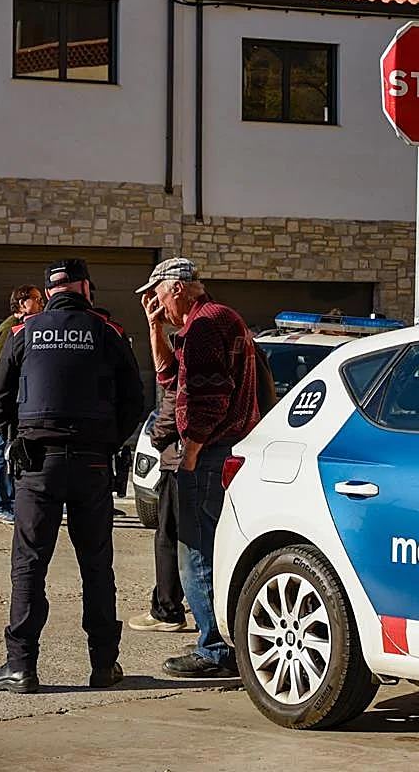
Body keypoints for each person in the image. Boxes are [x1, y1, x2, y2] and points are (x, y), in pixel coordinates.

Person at [0, 258, 144, 694]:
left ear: (50, 291)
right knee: (96, 566)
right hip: (92, 463)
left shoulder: (25, 333)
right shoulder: (107, 333)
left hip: (37, 465)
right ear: (86, 288)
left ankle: (20, 667)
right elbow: (135, 398)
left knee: (30, 564)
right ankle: (104, 666)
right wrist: (108, 442)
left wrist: (15, 434)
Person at [137, 257, 258, 679]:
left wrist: (189, 452)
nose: (154, 303)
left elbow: (209, 398)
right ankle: (222, 642)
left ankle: (215, 651)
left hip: (207, 454)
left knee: (197, 551)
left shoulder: (207, 324)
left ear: (176, 288)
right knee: (205, 546)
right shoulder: (208, 322)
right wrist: (155, 329)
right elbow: (171, 379)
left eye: (156, 295)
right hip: (217, 450)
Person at [126, 375, 188, 633]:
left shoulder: (195, 347)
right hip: (226, 456)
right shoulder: (251, 354)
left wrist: (158, 436)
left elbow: (176, 401)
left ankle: (168, 610)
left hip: (184, 459)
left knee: (172, 537)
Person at [0, 285, 44, 525]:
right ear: (21, 303)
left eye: (41, 299)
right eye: (35, 299)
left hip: (22, 402)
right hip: (8, 403)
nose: (41, 303)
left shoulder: (34, 326)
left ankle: (16, 502)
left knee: (14, 450)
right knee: (2, 450)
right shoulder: (11, 328)